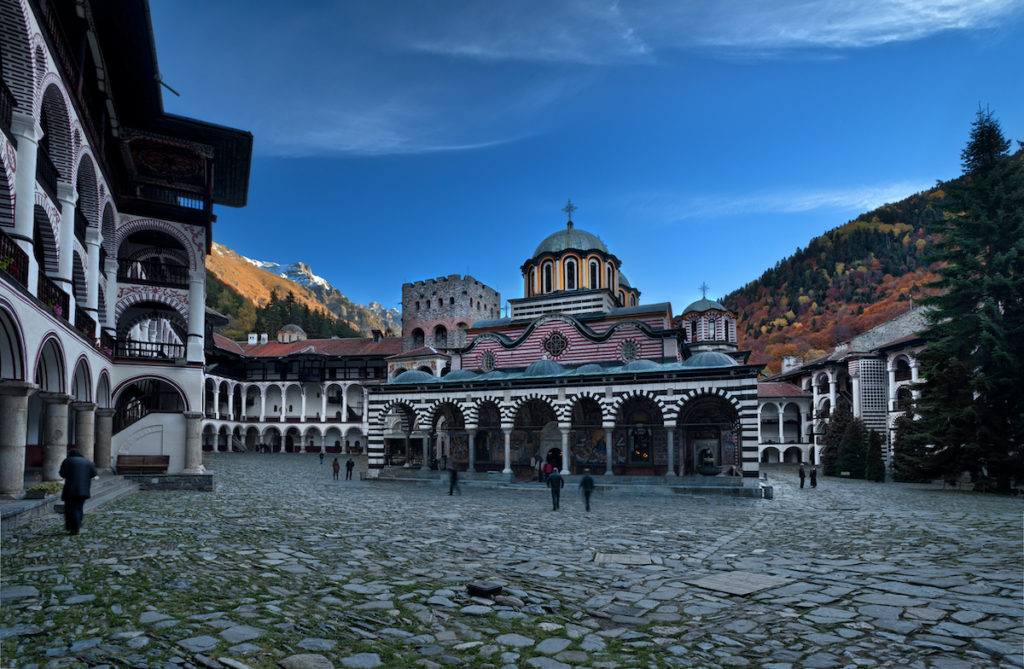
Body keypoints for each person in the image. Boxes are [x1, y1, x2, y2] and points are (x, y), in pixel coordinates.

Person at [59, 448, 97, 536]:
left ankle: (75, 528)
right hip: (84, 489)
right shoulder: (87, 461)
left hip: (71, 489)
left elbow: (62, 474)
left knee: (71, 509)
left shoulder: (67, 461)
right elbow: (94, 473)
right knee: (79, 508)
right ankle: (77, 526)